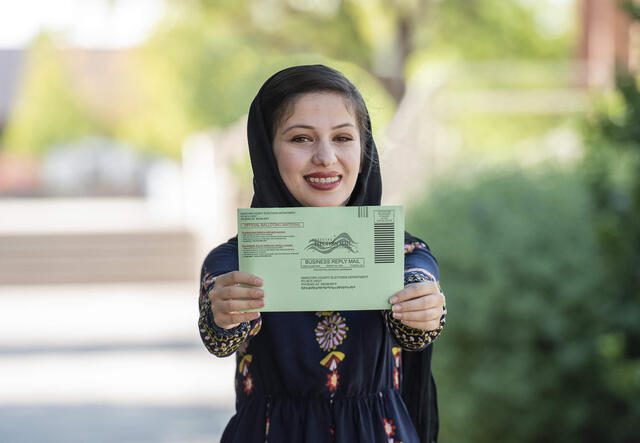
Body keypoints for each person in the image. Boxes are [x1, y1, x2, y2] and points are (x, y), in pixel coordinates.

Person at [198, 64, 446, 443]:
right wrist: (225, 312)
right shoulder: (234, 262)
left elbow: (415, 296)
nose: (326, 157)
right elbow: (220, 334)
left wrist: (422, 307)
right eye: (301, 139)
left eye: (343, 137)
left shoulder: (398, 251)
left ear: (365, 149)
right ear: (265, 150)